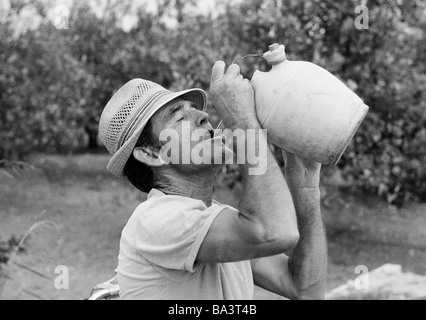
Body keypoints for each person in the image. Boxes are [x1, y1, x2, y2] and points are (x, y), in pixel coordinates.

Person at [98, 61, 327, 300]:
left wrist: (306, 188)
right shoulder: (155, 220)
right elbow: (276, 232)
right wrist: (242, 122)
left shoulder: (218, 218)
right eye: (179, 117)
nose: (203, 116)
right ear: (151, 154)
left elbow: (305, 289)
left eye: (194, 109)